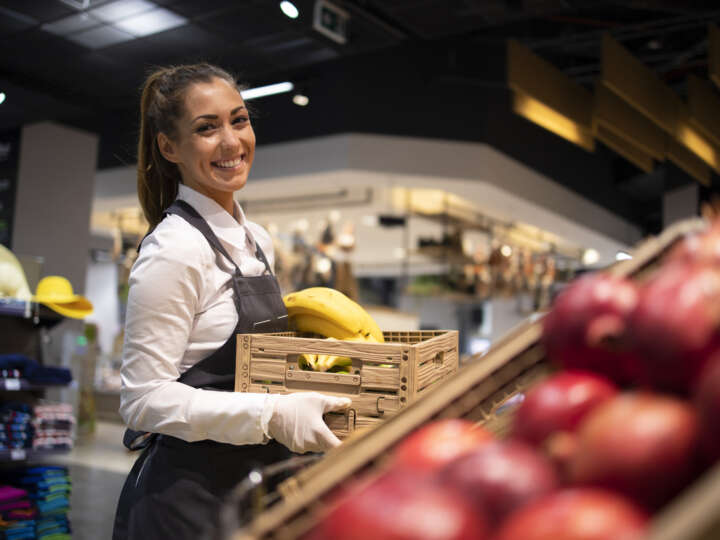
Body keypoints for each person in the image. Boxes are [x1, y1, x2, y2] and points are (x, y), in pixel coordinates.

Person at [112, 63, 350, 539]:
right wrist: (272, 415)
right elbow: (142, 400)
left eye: (238, 120)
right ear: (169, 147)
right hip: (187, 503)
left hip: (257, 490)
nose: (230, 142)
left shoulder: (258, 240)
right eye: (206, 128)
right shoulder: (174, 250)